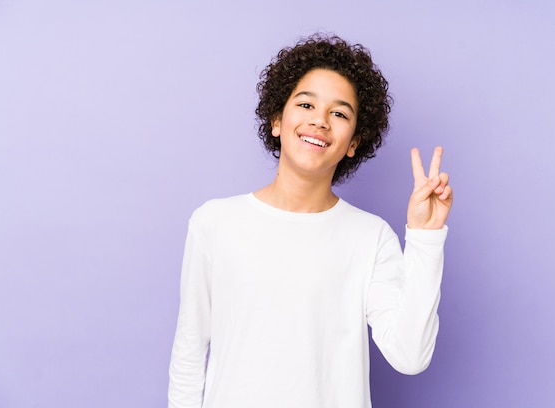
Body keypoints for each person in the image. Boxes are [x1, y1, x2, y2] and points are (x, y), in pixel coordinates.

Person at [168, 34, 453, 408]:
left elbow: (410, 356)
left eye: (339, 113)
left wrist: (425, 238)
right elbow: (189, 352)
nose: (319, 120)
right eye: (305, 104)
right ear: (276, 120)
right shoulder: (214, 222)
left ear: (353, 143)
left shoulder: (370, 237)